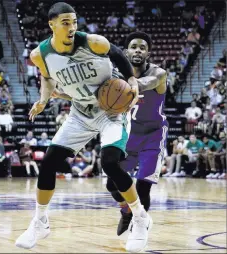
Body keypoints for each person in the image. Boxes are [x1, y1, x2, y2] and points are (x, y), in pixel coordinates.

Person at [15, 3, 143, 252]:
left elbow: (118, 54)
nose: (72, 27)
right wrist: (43, 100)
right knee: (50, 161)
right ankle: (40, 221)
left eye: (74, 22)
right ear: (52, 24)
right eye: (65, 23)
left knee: (108, 163)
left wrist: (131, 81)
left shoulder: (93, 42)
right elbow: (47, 77)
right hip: (80, 113)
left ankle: (140, 217)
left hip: (110, 111)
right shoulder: (39, 55)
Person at [105, 32, 168, 238]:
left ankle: (139, 231)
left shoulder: (159, 73)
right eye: (133, 47)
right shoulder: (116, 75)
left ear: (148, 52)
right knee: (111, 183)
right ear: (126, 52)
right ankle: (126, 210)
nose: (138, 50)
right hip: (130, 133)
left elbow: (146, 83)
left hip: (154, 135)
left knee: (143, 186)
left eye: (142, 47)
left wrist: (120, 85)